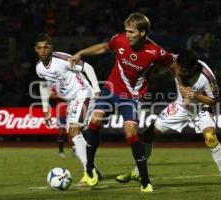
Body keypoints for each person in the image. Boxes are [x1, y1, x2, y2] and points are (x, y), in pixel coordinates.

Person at [69, 12, 174, 192]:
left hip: (132, 97)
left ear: (142, 33)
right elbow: (103, 47)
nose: (127, 35)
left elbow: (171, 65)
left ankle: (145, 181)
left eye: (131, 32)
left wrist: (162, 75)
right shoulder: (119, 40)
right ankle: (90, 170)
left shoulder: (155, 52)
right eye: (126, 31)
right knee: (95, 120)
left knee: (130, 132)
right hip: (110, 90)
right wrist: (81, 53)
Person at [116, 49, 221, 191]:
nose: (180, 71)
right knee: (148, 135)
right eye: (179, 68)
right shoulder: (176, 62)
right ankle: (137, 172)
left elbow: (214, 101)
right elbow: (160, 59)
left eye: (184, 70)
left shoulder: (207, 77)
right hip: (180, 106)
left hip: (201, 108)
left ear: (193, 67)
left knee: (210, 138)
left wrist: (194, 95)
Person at [35, 33, 102, 182]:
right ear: (36, 50)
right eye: (40, 48)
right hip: (72, 100)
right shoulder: (39, 68)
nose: (43, 50)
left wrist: (96, 89)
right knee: (71, 137)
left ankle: (90, 173)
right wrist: (46, 111)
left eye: (46, 47)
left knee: (74, 131)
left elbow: (88, 67)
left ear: (51, 47)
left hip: (84, 93)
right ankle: (92, 168)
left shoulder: (62, 59)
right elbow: (44, 86)